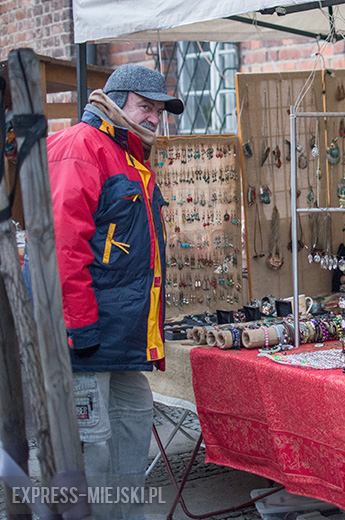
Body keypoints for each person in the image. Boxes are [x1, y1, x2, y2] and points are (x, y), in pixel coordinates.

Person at [43, 64, 182, 518]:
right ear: (116, 99)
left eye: (159, 111)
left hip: (122, 334)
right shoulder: (82, 147)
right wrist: (78, 327)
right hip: (90, 335)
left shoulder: (125, 152)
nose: (154, 119)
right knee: (93, 448)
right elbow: (64, 249)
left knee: (135, 421)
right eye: (146, 107)